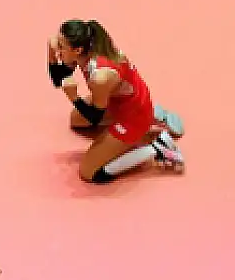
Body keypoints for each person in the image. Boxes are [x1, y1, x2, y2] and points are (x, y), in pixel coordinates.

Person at [47, 19, 185, 183]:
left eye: (61, 46)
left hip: (132, 116)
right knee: (75, 119)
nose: (58, 49)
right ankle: (153, 113)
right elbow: (59, 79)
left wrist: (74, 97)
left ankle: (157, 148)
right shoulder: (88, 49)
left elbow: (95, 117)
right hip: (120, 99)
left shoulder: (100, 77)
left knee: (89, 172)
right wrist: (51, 53)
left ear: (77, 50)